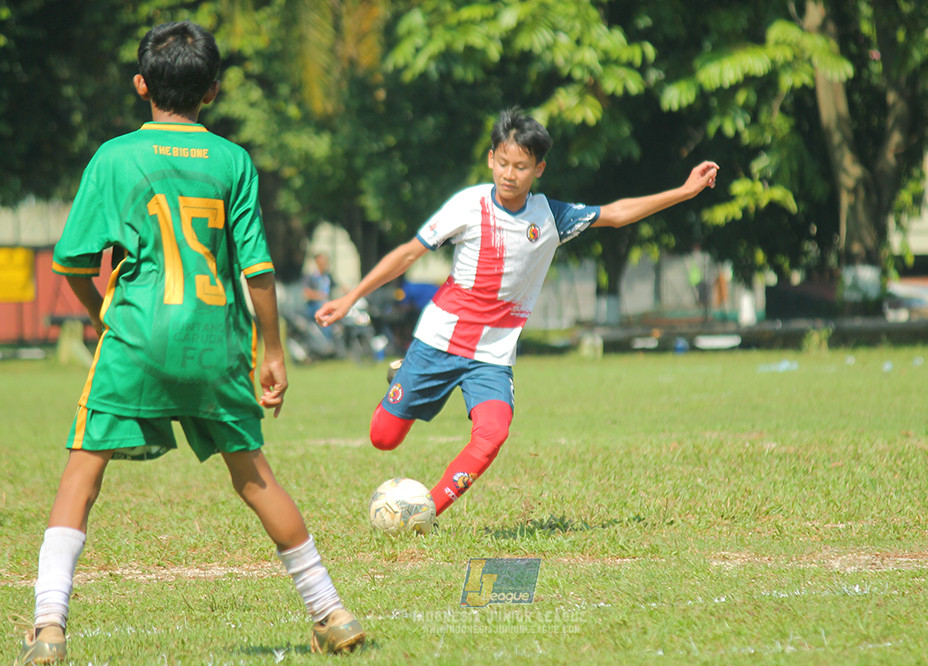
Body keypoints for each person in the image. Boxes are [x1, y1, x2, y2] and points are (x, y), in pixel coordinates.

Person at [15, 21, 364, 664]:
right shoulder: (233, 161)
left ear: (141, 84)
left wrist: (104, 320)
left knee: (80, 478)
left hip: (139, 336)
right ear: (214, 90)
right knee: (255, 478)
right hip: (215, 342)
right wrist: (274, 351)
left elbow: (71, 263)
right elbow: (256, 268)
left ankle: (49, 627)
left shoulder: (115, 157)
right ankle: (331, 612)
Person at [316, 107, 718, 517]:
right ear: (491, 159)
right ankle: (404, 375)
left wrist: (684, 192)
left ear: (539, 168)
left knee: (493, 433)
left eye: (521, 167)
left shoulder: (549, 217)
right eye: (503, 163)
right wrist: (351, 298)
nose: (509, 174)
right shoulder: (467, 205)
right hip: (439, 339)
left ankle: (426, 512)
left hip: (491, 355)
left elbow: (615, 215)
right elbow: (406, 255)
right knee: (383, 438)